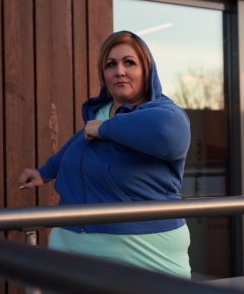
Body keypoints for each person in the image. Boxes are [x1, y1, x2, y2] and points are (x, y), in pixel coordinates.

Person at [19, 31, 191, 279]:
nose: (119, 71)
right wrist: (44, 172)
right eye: (111, 65)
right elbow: (77, 146)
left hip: (145, 254)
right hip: (70, 250)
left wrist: (105, 128)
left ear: (147, 70)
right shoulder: (99, 114)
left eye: (129, 62)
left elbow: (168, 135)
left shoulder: (163, 112)